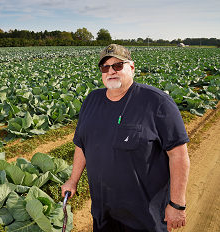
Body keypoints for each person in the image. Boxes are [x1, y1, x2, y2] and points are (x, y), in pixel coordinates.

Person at [61, 44, 190, 232]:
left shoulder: (157, 102)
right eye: (105, 67)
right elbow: (82, 144)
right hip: (104, 211)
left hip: (144, 217)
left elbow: (178, 155)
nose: (111, 71)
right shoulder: (92, 100)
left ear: (132, 67)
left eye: (118, 65)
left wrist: (177, 204)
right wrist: (73, 180)